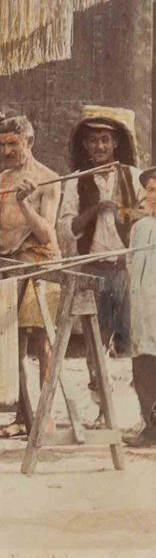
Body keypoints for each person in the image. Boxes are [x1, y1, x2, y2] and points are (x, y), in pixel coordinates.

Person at [0, 115, 61, 438]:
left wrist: (25, 203)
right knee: (13, 345)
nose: (7, 150)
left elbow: (47, 233)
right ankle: (23, 416)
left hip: (40, 264)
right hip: (10, 264)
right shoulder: (4, 179)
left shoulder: (49, 180)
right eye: (3, 145)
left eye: (13, 143)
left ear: (29, 142)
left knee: (43, 344)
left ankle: (46, 416)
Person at [57, 110, 144, 357]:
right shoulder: (75, 180)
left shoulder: (135, 177)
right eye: (94, 140)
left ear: (115, 143)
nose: (100, 146)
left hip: (127, 270)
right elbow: (66, 228)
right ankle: (98, 389)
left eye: (105, 139)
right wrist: (95, 210)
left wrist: (124, 214)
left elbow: (150, 217)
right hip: (93, 271)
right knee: (96, 341)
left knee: (130, 342)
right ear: (85, 145)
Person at [125, 167, 156, 448]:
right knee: (144, 370)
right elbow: (132, 266)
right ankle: (151, 428)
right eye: (151, 190)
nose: (154, 196)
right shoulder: (140, 229)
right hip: (143, 312)